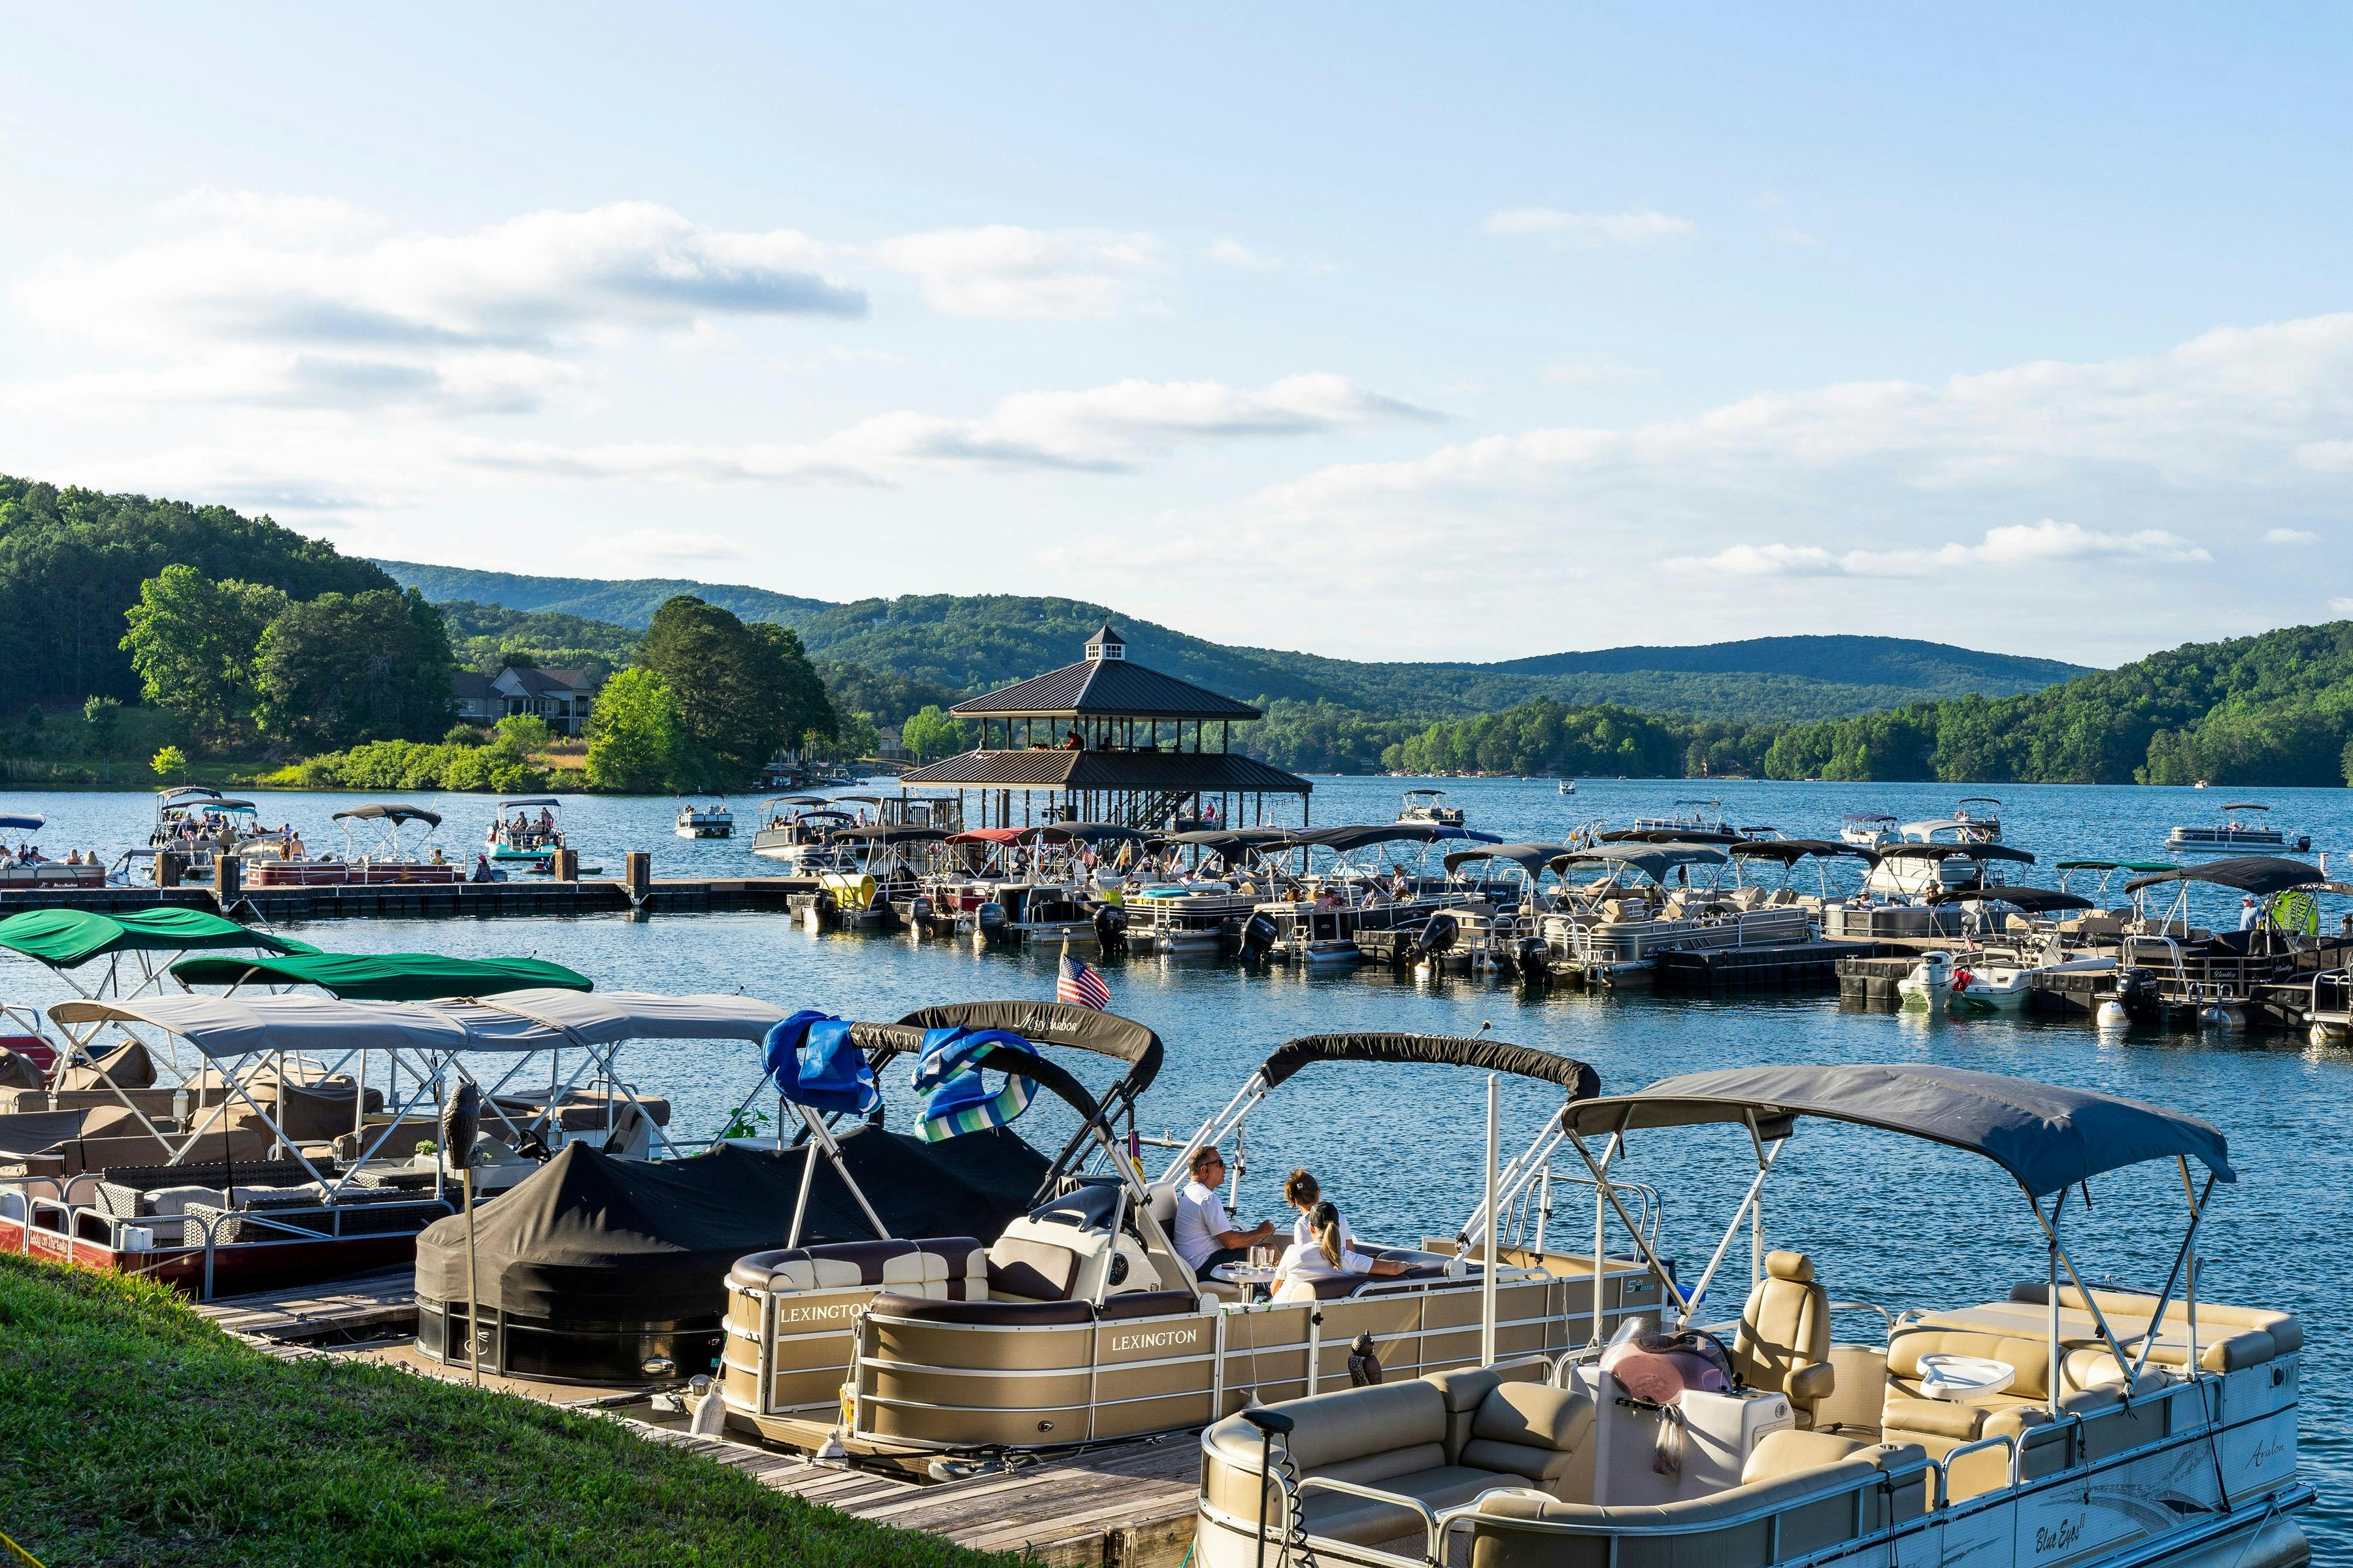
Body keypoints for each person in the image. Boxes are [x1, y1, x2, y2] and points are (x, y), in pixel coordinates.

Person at [1273, 1201, 1408, 1300]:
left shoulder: (1293, 1253)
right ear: (1337, 1226)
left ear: (1311, 1228)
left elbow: (1274, 1290)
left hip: (1282, 1314)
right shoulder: (1348, 1258)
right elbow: (1394, 1268)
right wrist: (1409, 1266)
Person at [1173, 1144, 1273, 1274]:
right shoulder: (1207, 1198)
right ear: (1204, 1169)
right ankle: (1279, 1293)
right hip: (1206, 1265)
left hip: (1194, 1264)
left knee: (1259, 1251)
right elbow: (1230, 1242)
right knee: (1271, 1250)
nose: (1225, 1167)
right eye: (1219, 1164)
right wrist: (1260, 1232)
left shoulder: (1189, 1191)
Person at [1281, 1170, 1357, 1252]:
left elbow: (1303, 1258)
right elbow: (1351, 1252)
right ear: (1317, 1193)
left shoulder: (1301, 1224)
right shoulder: (1340, 1216)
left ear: (1294, 1199)